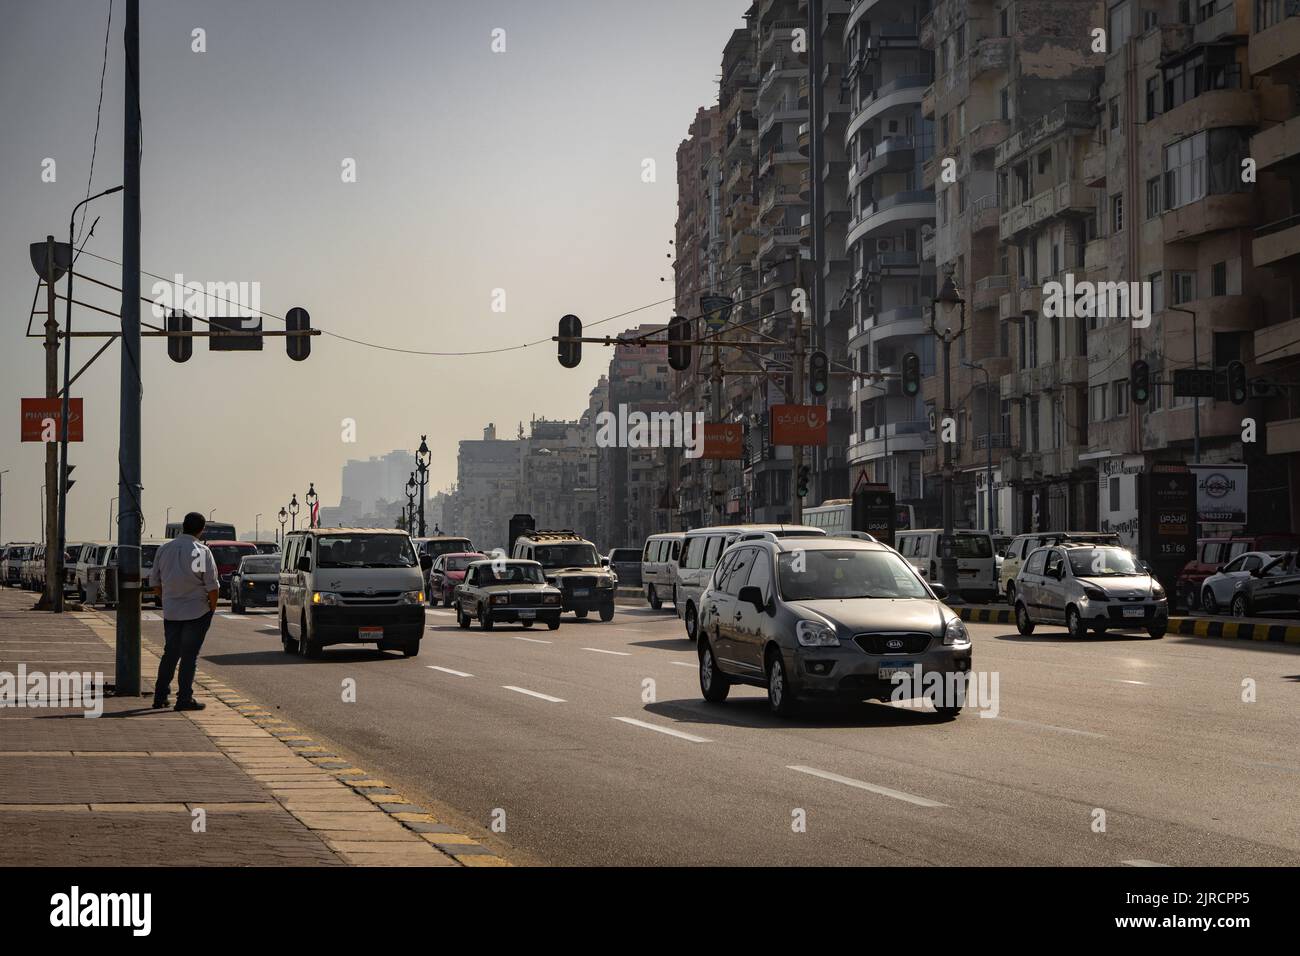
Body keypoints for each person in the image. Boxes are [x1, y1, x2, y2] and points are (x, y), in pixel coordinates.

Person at [148, 511, 219, 711]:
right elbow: (212, 587)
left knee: (170, 653)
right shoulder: (202, 551)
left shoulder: (164, 549)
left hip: (171, 611)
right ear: (201, 529)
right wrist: (211, 609)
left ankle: (160, 695)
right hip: (197, 610)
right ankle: (184, 698)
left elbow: (155, 582)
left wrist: (167, 599)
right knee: (189, 656)